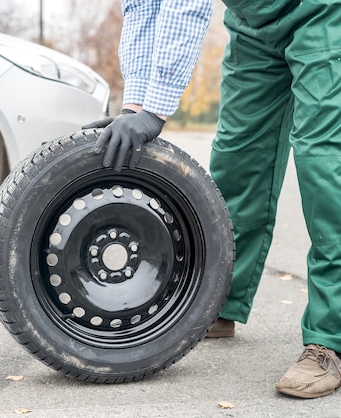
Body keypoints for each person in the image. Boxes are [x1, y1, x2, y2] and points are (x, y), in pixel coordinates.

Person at [85, 0, 341, 399]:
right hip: (254, 24)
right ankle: (219, 300)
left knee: (324, 168)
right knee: (237, 161)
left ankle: (331, 339)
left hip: (321, 12)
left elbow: (183, 7)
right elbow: (143, 7)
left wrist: (154, 111)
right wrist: (133, 105)